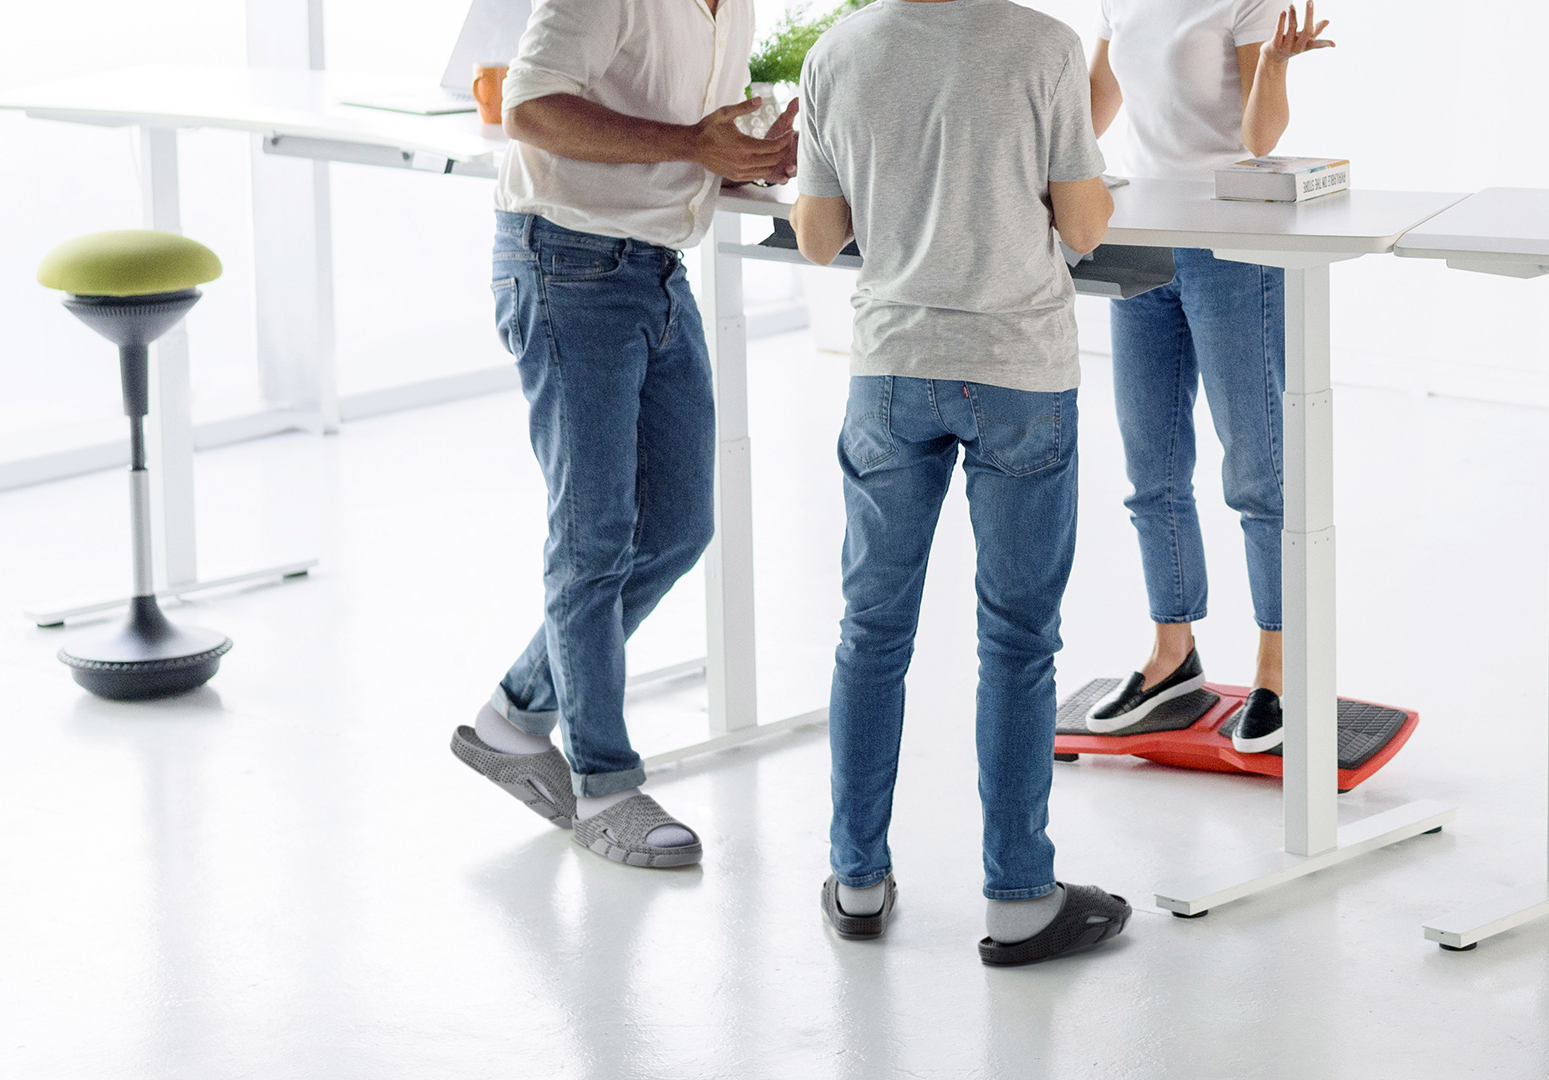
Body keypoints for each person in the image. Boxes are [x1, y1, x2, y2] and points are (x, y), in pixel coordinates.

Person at [792, 0, 1129, 966]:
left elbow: (819, 237)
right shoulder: (1044, 46)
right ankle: (1019, 899)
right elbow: (1083, 224)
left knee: (871, 632)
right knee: (1017, 641)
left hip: (891, 368)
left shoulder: (838, 51)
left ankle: (858, 882)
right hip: (1018, 369)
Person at [449, 0, 798, 869]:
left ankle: (514, 715)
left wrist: (745, 157)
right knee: (593, 537)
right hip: (565, 261)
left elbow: (692, 136)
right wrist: (692, 145)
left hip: (655, 265)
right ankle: (604, 788)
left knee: (679, 525)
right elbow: (530, 108)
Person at [1081, 1, 1335, 754]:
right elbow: (1089, 112)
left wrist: (1277, 65)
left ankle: (1279, 668)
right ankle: (1173, 654)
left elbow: (1259, 140)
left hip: (1230, 246)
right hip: (1139, 239)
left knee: (1258, 472)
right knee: (1151, 472)